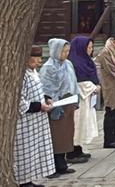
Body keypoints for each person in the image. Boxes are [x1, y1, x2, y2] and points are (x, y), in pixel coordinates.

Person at [14, 45, 56, 187]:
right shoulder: (21, 75)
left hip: (36, 120)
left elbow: (37, 91)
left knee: (34, 150)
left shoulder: (33, 72)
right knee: (24, 151)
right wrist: (38, 106)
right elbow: (19, 99)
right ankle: (23, 181)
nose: (38, 61)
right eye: (35, 59)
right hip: (25, 120)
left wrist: (46, 98)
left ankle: (30, 178)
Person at [39, 39, 78, 177]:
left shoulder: (68, 64)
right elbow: (45, 88)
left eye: (68, 51)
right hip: (55, 106)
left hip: (68, 102)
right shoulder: (48, 68)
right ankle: (52, 168)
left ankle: (62, 165)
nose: (66, 54)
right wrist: (53, 99)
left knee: (66, 135)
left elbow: (73, 82)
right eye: (63, 51)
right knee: (55, 137)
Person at [66, 36, 99, 162]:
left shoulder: (87, 61)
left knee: (84, 122)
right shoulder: (75, 63)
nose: (90, 50)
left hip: (88, 97)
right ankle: (71, 152)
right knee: (77, 123)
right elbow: (77, 82)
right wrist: (92, 87)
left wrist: (96, 85)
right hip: (79, 97)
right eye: (88, 48)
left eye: (91, 47)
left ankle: (79, 149)